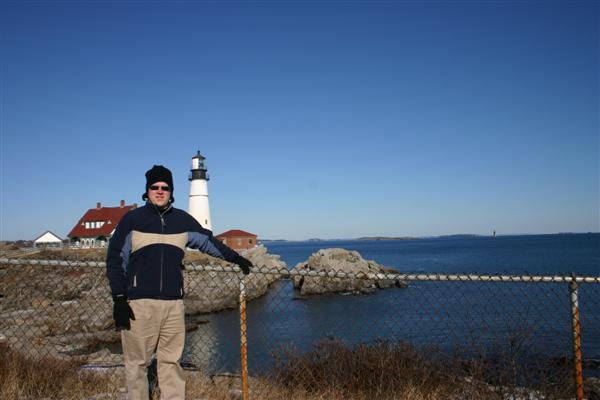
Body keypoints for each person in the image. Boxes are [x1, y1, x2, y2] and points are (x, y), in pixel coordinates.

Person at [106, 165, 252, 400]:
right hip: (139, 305)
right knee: (137, 365)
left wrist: (236, 257)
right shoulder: (132, 220)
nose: (160, 191)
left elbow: (208, 242)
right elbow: (115, 260)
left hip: (174, 305)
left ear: (172, 191)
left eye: (165, 187)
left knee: (171, 363)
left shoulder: (182, 221)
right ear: (147, 190)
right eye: (155, 187)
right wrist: (119, 299)